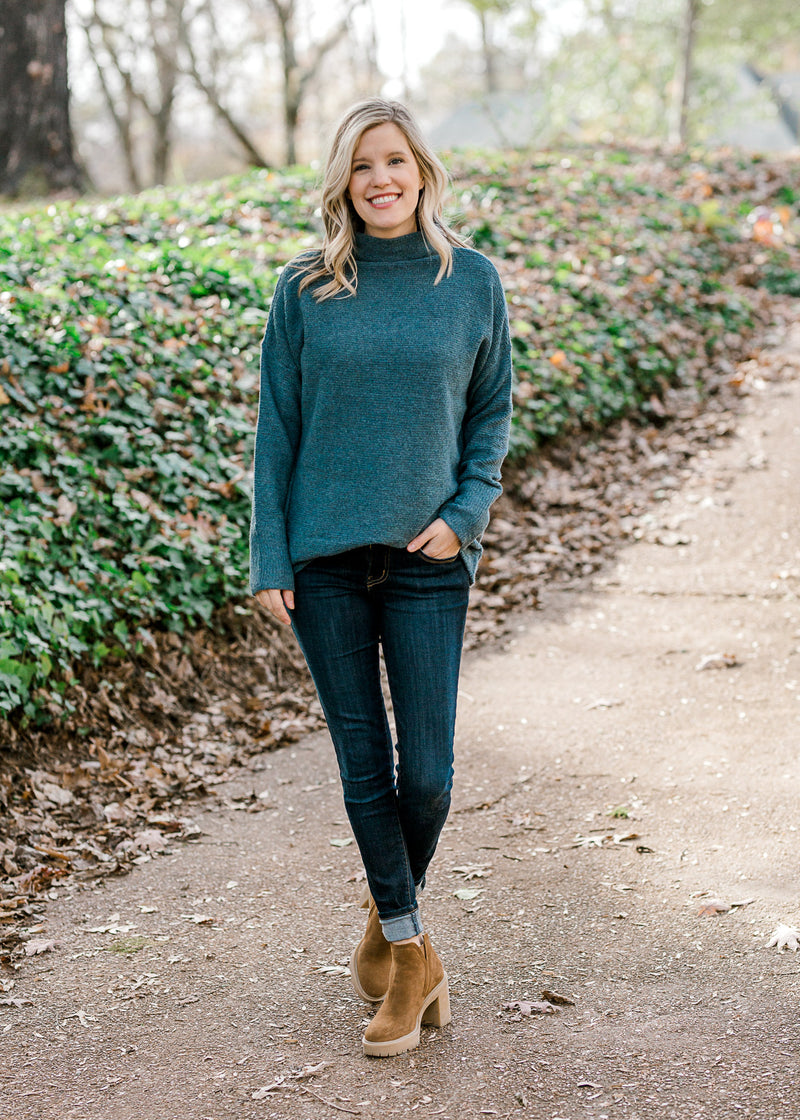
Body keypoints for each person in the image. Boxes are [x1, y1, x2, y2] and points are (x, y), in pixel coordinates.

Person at [250, 97, 512, 1058]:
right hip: (322, 560)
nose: (381, 179)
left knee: (430, 776)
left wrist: (464, 516)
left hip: (428, 561)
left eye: (395, 161)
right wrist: (269, 557)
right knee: (365, 771)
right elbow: (277, 429)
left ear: (423, 171)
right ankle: (410, 954)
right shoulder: (306, 288)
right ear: (343, 182)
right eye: (363, 166)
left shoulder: (472, 281)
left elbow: (491, 416)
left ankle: (388, 915)